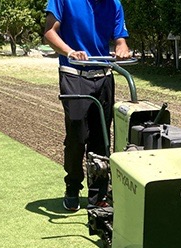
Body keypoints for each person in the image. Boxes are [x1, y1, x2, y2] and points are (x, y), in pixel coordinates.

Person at [43, 0, 130, 211]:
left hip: (103, 74)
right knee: (77, 135)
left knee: (101, 137)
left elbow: (120, 38)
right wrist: (70, 52)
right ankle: (72, 187)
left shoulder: (114, 5)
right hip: (74, 73)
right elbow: (49, 33)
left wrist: (122, 47)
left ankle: (98, 195)